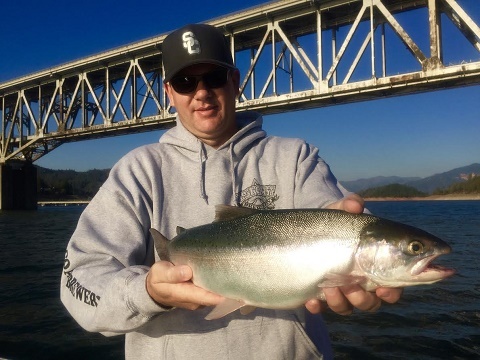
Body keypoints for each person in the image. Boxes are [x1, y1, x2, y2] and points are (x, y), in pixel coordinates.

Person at [61, 23, 402, 359]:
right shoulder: (139, 171)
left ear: (234, 81)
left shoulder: (295, 158)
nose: (201, 91)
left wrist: (351, 228)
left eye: (213, 77)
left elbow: (331, 210)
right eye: (185, 81)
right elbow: (78, 281)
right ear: (169, 93)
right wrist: (147, 291)